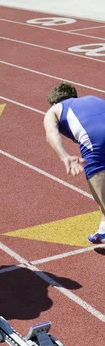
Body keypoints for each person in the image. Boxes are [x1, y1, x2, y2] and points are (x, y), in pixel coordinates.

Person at [44, 82, 105, 243]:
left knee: (101, 193)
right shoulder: (94, 98)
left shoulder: (54, 109)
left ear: (54, 102)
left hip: (94, 139)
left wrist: (64, 156)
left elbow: (51, 133)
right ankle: (104, 228)